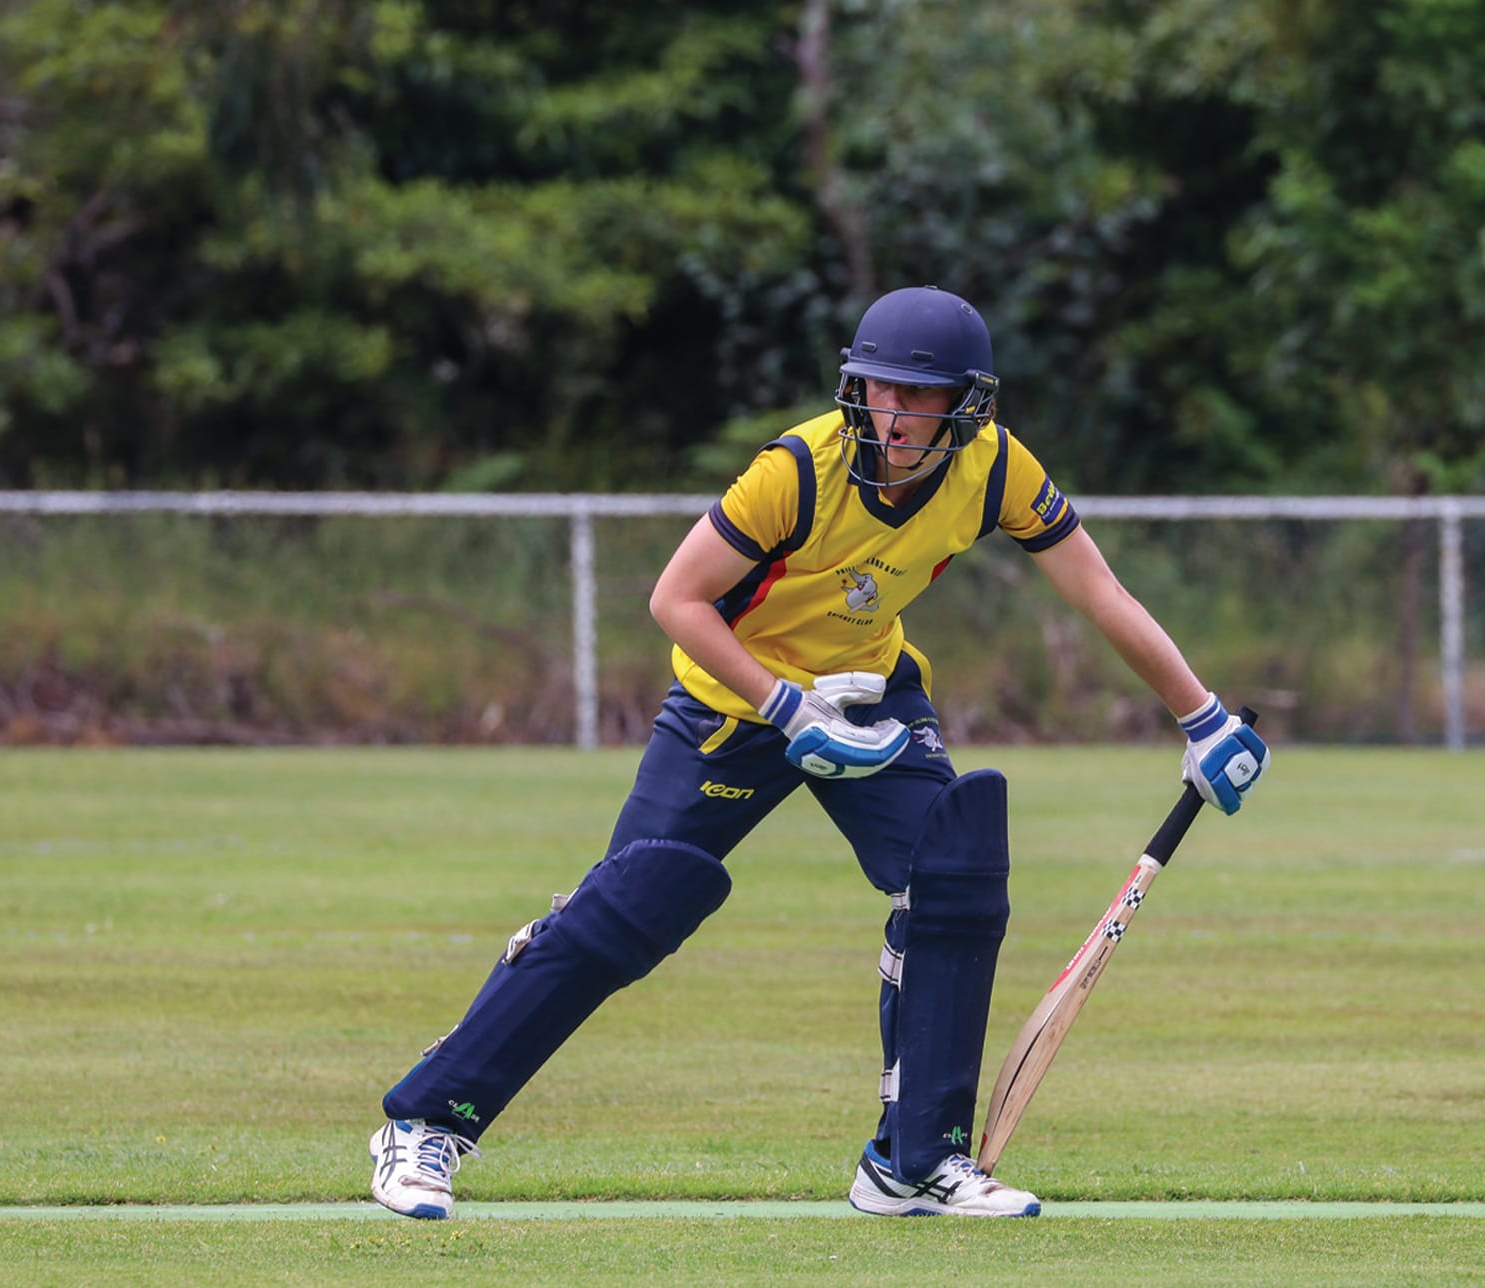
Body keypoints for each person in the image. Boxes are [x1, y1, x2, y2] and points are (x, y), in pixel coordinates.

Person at [368, 284, 1269, 1220]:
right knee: (629, 906)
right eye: (880, 389)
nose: (895, 413)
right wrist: (785, 708)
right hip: (733, 704)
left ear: (967, 403)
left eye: (920, 395)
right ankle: (425, 1123)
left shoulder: (994, 466)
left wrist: (1201, 716)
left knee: (952, 874)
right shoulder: (796, 471)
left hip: (873, 689)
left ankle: (913, 1161)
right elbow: (676, 599)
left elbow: (1098, 589)